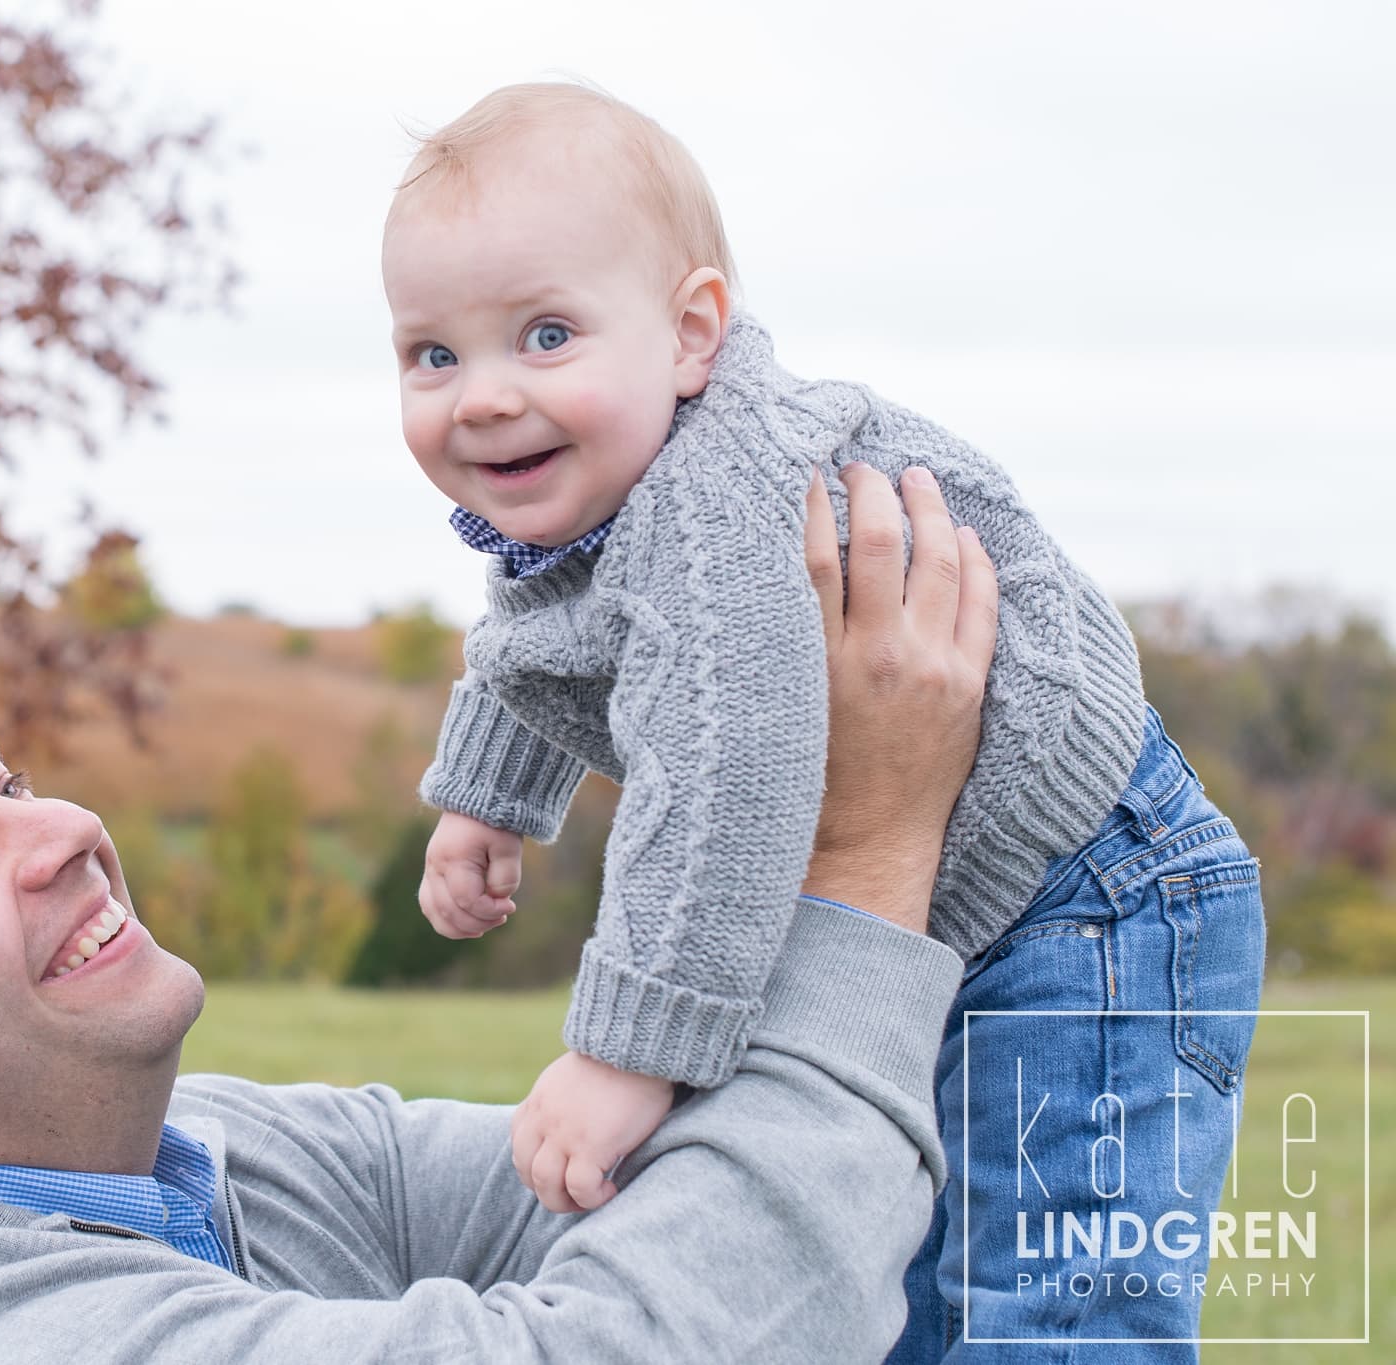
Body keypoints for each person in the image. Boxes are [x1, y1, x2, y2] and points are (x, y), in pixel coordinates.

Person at [0, 478, 989, 1363]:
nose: (68, 828)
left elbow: (656, 1200)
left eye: (7, 780)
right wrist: (864, 860)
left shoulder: (203, 1150)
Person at [382, 82, 1266, 1359]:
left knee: (1051, 1307)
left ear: (692, 335)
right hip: (941, 902)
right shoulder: (606, 502)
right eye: (433, 354)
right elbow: (547, 631)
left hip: (1088, 891)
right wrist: (488, 797)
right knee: (883, 1278)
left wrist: (624, 1054)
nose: (478, 396)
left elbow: (727, 774)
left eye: (545, 335)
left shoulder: (713, 513)